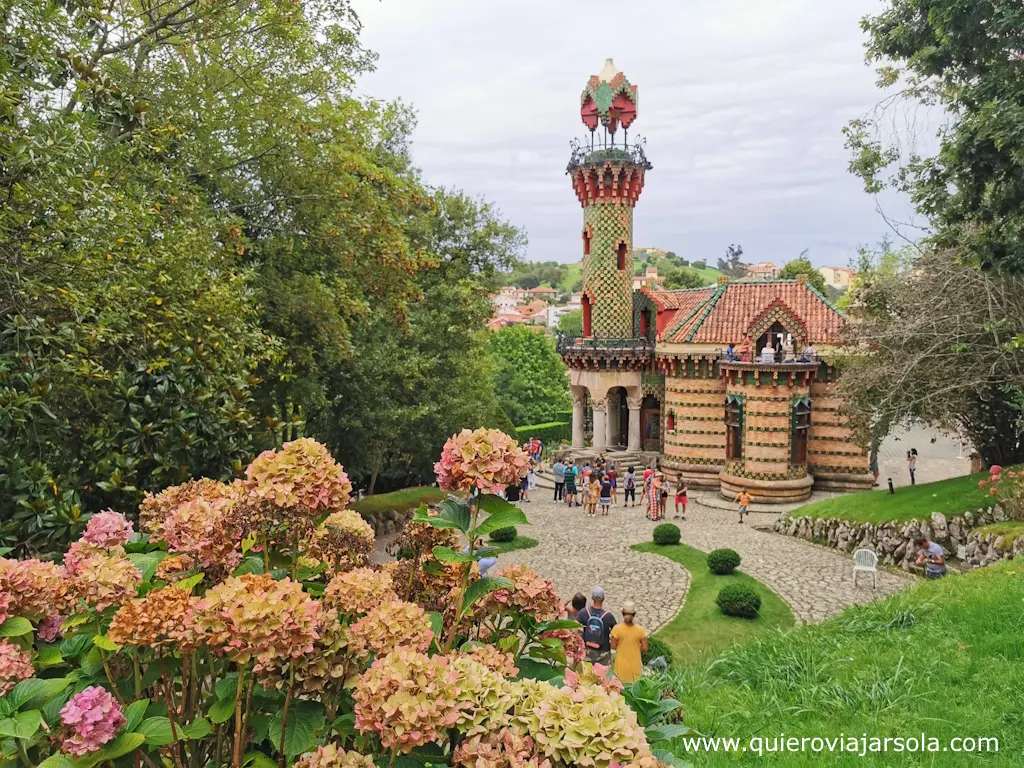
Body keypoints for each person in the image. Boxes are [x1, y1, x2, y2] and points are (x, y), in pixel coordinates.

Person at [576, 587, 616, 666]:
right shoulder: (608, 616)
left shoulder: (583, 612)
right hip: (603, 653)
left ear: (592, 598)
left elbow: (574, 629)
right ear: (603, 598)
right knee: (603, 676)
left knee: (587, 676)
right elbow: (616, 632)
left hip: (588, 652)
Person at [610, 600, 648, 684]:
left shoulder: (616, 629)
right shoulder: (640, 630)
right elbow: (645, 648)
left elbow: (613, 646)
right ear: (634, 614)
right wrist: (635, 648)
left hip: (620, 665)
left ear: (623, 613)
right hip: (635, 665)